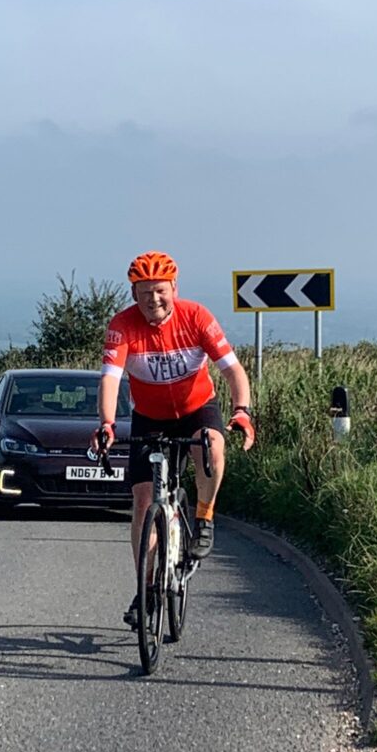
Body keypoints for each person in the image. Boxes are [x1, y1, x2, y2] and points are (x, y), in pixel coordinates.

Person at [91, 250, 255, 627]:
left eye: (160, 290)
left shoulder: (196, 317)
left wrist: (242, 410)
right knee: (143, 501)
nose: (154, 300)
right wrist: (107, 424)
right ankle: (146, 589)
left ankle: (205, 516)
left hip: (197, 407)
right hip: (149, 418)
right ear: (134, 294)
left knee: (212, 443)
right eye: (145, 292)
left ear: (174, 289)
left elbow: (232, 370)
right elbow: (110, 379)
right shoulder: (122, 325)